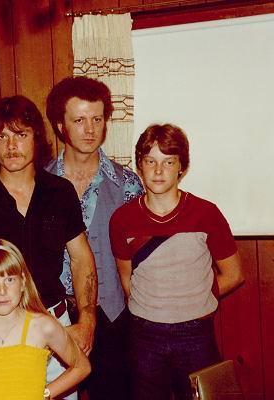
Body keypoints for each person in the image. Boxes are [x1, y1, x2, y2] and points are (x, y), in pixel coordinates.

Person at [0, 95, 97, 399]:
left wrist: (87, 320)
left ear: (36, 138)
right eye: (2, 137)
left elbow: (82, 260)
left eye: (20, 135)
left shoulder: (60, 192)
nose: (11, 146)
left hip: (53, 327)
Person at [109, 124, 244, 400]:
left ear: (182, 166)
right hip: (144, 336)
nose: (159, 171)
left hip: (196, 335)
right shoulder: (122, 219)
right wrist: (155, 308)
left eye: (168, 162)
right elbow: (126, 278)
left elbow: (234, 274)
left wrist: (194, 298)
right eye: (151, 161)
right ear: (139, 165)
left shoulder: (206, 214)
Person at [45, 76, 144, 399]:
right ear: (60, 125)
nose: (90, 129)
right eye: (79, 120)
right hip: (53, 315)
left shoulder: (128, 184)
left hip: (113, 315)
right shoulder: (39, 184)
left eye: (97, 119)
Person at [0, 238, 91, 399]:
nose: (2, 291)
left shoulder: (43, 326)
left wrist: (45, 393)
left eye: (9, 280)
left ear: (23, 282)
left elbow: (82, 366)